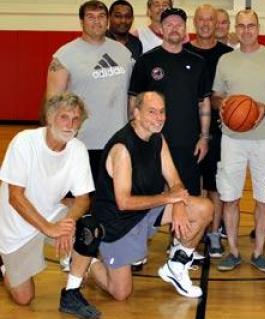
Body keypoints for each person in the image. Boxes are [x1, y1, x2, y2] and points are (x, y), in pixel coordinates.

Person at [78, 91, 214, 303]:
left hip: (147, 209)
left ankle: (176, 265)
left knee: (204, 208)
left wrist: (178, 203)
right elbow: (124, 203)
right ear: (136, 113)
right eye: (152, 112)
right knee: (121, 293)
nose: (159, 117)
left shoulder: (157, 138)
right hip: (117, 223)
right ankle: (88, 260)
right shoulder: (123, 148)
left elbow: (175, 180)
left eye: (162, 112)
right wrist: (169, 198)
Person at [0, 93, 100, 318]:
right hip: (16, 225)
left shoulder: (77, 149)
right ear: (50, 117)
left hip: (51, 212)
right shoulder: (24, 142)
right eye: (64, 117)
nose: (70, 125)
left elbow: (84, 198)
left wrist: (67, 223)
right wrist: (50, 229)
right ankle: (4, 265)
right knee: (24, 299)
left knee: (89, 228)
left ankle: (71, 294)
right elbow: (15, 197)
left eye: (76, 119)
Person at [212, 9, 265, 273]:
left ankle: (258, 252)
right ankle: (233, 251)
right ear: (236, 29)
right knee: (230, 197)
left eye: (251, 26)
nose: (247, 31)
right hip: (232, 139)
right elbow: (215, 96)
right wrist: (223, 103)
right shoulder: (225, 59)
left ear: (259, 28)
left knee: (263, 198)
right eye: (242, 26)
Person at [46, 0, 132, 185]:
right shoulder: (64, 55)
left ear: (108, 20)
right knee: (78, 200)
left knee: (114, 201)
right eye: (90, 17)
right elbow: (52, 104)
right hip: (80, 141)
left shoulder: (123, 52)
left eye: (101, 17)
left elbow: (131, 97)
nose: (97, 21)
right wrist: (55, 141)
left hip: (118, 141)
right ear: (81, 21)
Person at [129, 7, 211, 196]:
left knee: (187, 196)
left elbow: (203, 103)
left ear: (185, 29)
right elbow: (134, 101)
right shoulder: (146, 61)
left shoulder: (198, 62)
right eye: (169, 24)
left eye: (179, 25)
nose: (174, 28)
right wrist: (136, 135)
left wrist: (204, 137)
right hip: (154, 140)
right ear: (161, 29)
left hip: (188, 143)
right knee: (152, 198)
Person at [184, 4, 233, 258]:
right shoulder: (183, 52)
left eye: (210, 20)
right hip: (186, 129)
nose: (205, 24)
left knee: (215, 185)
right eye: (200, 19)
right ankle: (186, 233)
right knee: (189, 184)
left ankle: (213, 233)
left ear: (217, 24)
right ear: (195, 22)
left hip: (219, 130)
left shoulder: (228, 55)